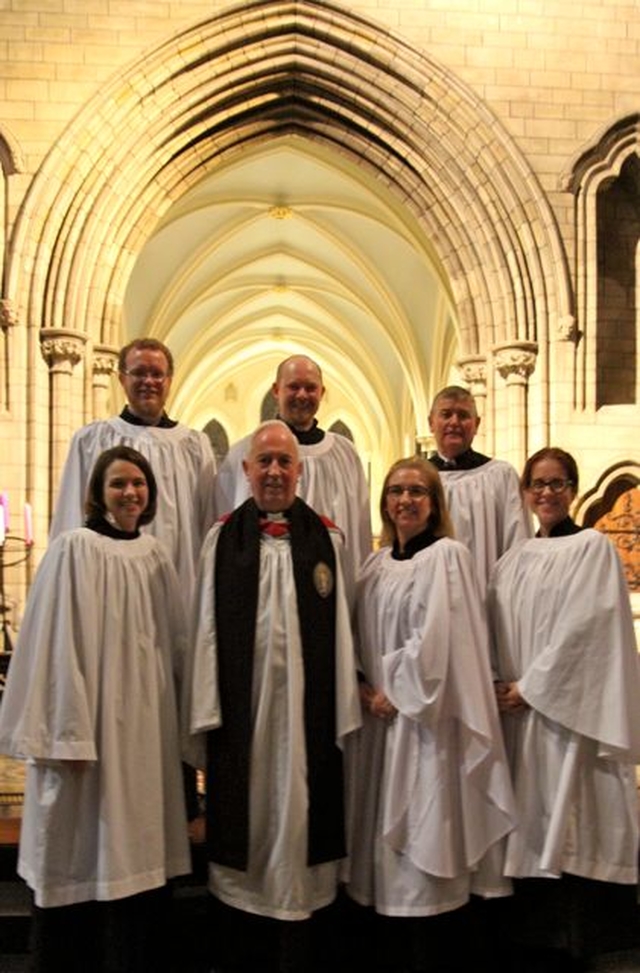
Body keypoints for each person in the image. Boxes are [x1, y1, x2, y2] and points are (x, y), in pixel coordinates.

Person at [0, 445, 191, 973]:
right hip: (87, 735)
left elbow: (175, 649)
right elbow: (55, 648)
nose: (130, 493)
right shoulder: (73, 550)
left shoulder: (156, 557)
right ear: (98, 492)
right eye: (118, 484)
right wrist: (67, 733)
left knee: (137, 856)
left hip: (144, 735)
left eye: (138, 484)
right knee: (81, 850)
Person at [184, 420, 362, 973]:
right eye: (265, 462)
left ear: (300, 470)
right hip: (246, 719)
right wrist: (207, 712)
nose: (275, 471)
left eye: (285, 462)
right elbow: (206, 630)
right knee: (250, 821)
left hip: (309, 717)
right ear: (246, 470)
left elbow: (343, 634)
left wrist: (344, 708)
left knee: (303, 819)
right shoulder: (221, 539)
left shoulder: (326, 539)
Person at [345, 456, 515, 973]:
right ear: (385, 502)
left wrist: (392, 691)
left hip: (426, 729)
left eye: (418, 491)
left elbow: (441, 644)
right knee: (381, 855)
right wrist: (363, 687)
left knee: (425, 843)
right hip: (379, 726)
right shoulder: (373, 566)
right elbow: (353, 638)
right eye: (396, 491)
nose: (405, 500)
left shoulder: (449, 557)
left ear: (435, 503)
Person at [487, 447, 640, 972]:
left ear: (573, 490)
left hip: (566, 720)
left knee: (570, 827)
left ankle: (575, 947)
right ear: (526, 493)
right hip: (517, 719)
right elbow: (492, 629)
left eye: (557, 483)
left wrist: (531, 687)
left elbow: (587, 631)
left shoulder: (593, 547)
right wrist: (498, 684)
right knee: (526, 832)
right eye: (538, 484)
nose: (547, 493)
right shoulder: (511, 560)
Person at [49, 337, 216, 602]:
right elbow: (71, 519)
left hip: (180, 584)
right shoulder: (92, 440)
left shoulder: (195, 446)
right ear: (121, 379)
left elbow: (209, 523)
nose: (148, 381)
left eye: (157, 374)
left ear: (169, 380)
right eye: (138, 372)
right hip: (109, 585)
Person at [214, 354, 372, 583]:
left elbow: (360, 532)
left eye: (310, 388)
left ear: (322, 393)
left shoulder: (345, 453)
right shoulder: (244, 452)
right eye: (293, 387)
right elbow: (225, 529)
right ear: (276, 391)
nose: (302, 395)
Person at [427, 385, 531, 594]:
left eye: (463, 415)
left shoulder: (501, 476)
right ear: (431, 423)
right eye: (446, 414)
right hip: (430, 597)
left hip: (487, 601)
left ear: (476, 424)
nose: (454, 422)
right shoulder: (417, 481)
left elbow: (518, 546)